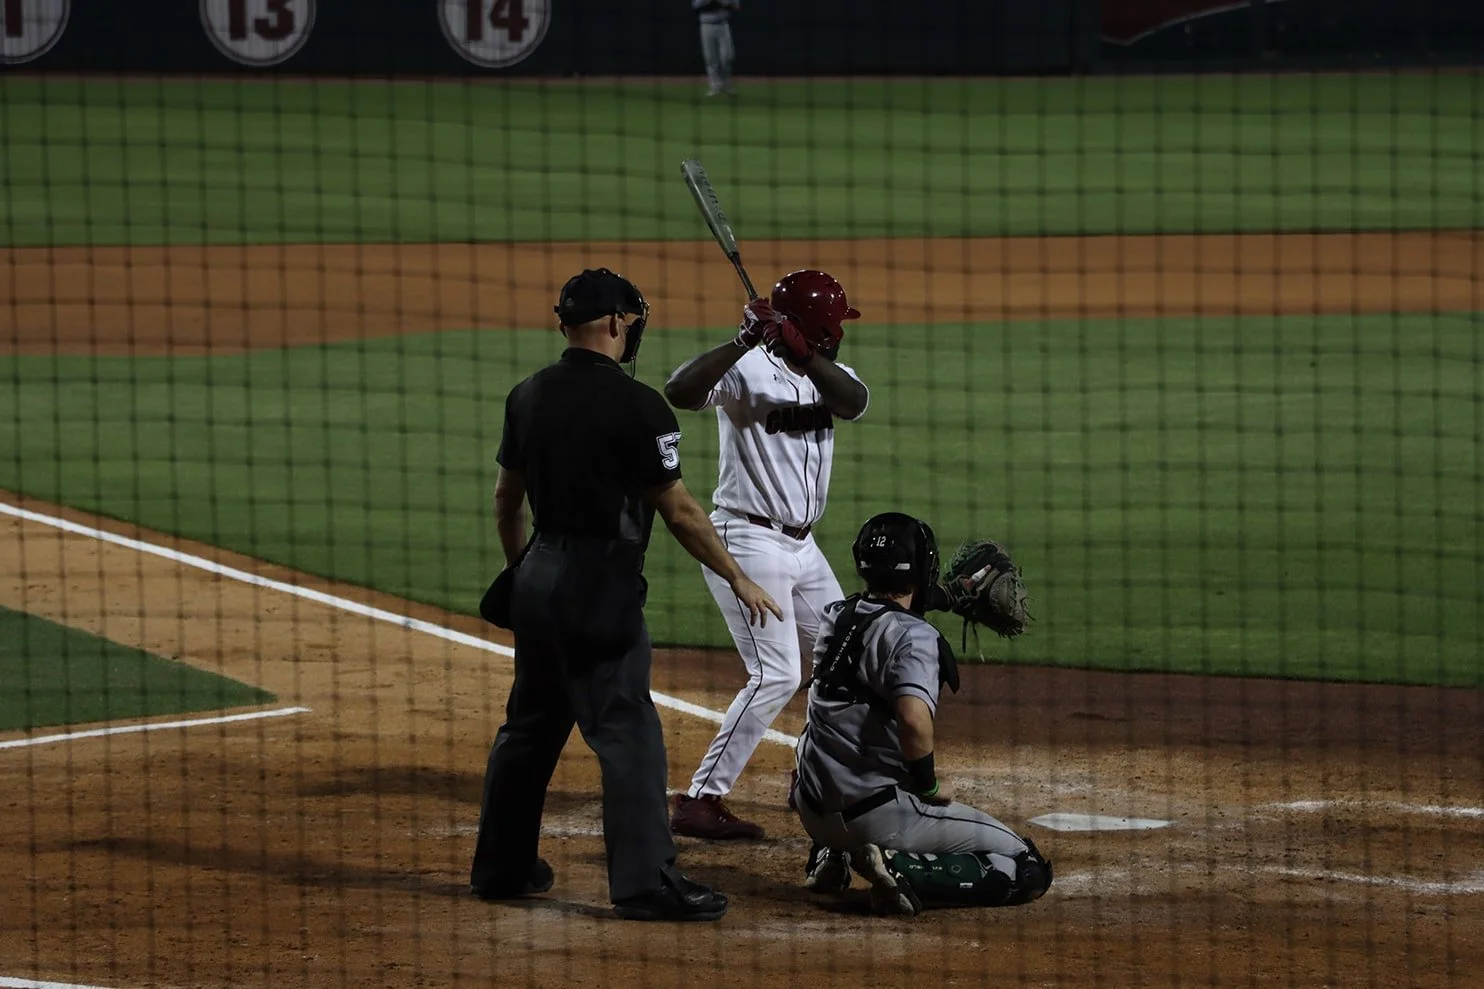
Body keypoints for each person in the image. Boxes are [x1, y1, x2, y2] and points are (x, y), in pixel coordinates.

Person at [470, 267, 783, 922]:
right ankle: (646, 883)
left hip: (537, 576)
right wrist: (738, 576)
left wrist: (526, 571)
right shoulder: (638, 406)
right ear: (617, 322)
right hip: (599, 587)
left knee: (528, 728)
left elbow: (506, 499)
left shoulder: (526, 394)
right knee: (628, 733)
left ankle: (501, 867)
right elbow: (681, 512)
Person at [662, 270, 870, 840]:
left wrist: (805, 357)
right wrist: (743, 341)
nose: (841, 335)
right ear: (819, 325)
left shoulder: (830, 377)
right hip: (748, 540)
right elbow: (678, 392)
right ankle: (701, 800)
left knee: (846, 655)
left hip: (804, 546)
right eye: (834, 325)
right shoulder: (747, 369)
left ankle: (818, 778)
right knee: (777, 673)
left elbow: (854, 403)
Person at [789, 512, 1053, 916]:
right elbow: (913, 721)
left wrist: (948, 594)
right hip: (875, 815)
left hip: (812, 807)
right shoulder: (916, 638)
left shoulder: (835, 615)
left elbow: (888, 608)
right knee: (1027, 867)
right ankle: (899, 866)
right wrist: (928, 786)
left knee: (832, 723)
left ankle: (830, 855)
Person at [694, 0, 739, 96]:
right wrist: (712, 4)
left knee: (727, 57)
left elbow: (736, 6)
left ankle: (726, 85)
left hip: (723, 25)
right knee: (710, 58)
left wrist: (722, 5)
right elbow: (696, 7)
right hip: (706, 25)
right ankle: (715, 86)